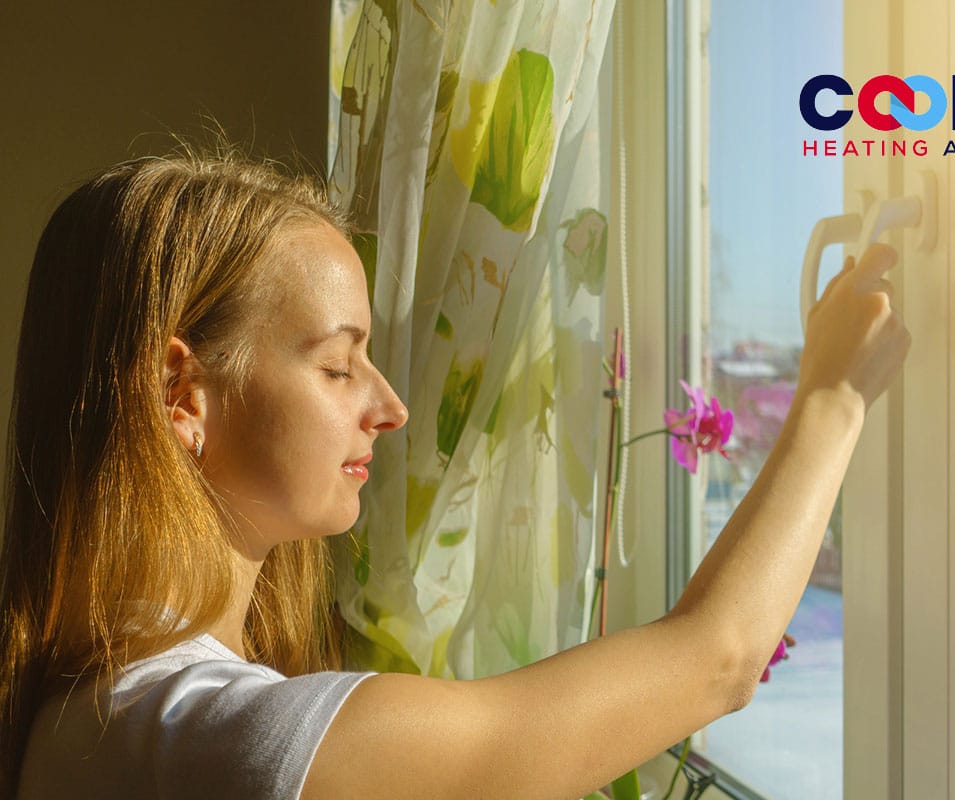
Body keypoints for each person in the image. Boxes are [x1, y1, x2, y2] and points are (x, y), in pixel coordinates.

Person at [0, 145, 909, 799]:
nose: (390, 408)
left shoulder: (84, 708)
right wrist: (832, 396)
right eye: (337, 364)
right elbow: (719, 659)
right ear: (181, 392)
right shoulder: (215, 741)